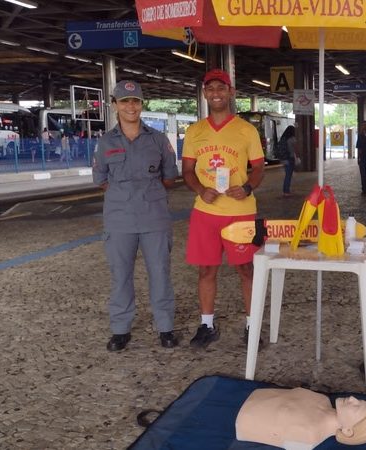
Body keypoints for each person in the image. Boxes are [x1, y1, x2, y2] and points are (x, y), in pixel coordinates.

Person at [92, 80, 179, 352]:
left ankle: (165, 328)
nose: (131, 106)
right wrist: (126, 196)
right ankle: (120, 330)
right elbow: (101, 179)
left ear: (142, 105)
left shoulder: (158, 139)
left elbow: (169, 177)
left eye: (136, 101)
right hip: (119, 220)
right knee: (121, 276)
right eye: (125, 101)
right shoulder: (106, 142)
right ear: (115, 105)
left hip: (154, 217)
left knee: (160, 274)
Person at [182, 68, 265, 348]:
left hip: (240, 212)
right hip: (206, 213)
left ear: (231, 92)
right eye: (210, 88)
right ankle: (207, 324)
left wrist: (248, 187)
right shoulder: (195, 131)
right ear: (205, 93)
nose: (216, 93)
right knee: (206, 270)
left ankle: (252, 326)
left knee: (246, 269)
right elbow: (188, 171)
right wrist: (199, 190)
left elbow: (259, 169)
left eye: (221, 88)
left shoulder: (246, 130)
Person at [235, 388, 366, 449]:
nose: (352, 398)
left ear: (348, 431)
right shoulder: (322, 399)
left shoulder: (309, 434)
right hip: (257, 397)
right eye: (359, 401)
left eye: (356, 407)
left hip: (244, 419)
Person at [277, 125, 297, 197]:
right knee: (288, 176)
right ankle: (286, 191)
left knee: (287, 175)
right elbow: (293, 150)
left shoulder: (283, 138)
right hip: (289, 159)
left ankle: (286, 190)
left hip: (284, 159)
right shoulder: (291, 139)